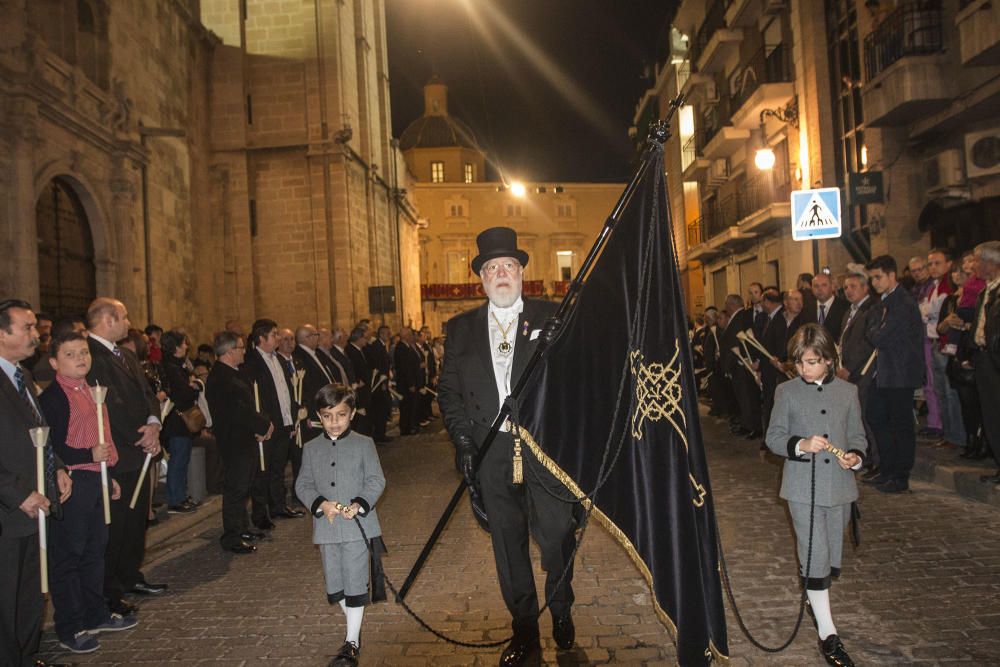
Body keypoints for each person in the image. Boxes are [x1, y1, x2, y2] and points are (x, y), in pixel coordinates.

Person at [438, 227, 579, 666]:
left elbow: (579, 379)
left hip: (542, 444)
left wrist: (565, 342)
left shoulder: (552, 316)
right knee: (508, 542)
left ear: (522, 273)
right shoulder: (460, 328)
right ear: (481, 279)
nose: (501, 273)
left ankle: (560, 607)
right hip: (489, 448)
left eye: (509, 266)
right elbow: (449, 391)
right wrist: (463, 441)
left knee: (557, 534)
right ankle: (524, 629)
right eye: (492, 268)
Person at [765, 324, 866, 667]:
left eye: (810, 362)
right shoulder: (787, 392)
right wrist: (801, 445)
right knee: (815, 555)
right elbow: (774, 438)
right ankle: (828, 634)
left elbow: (858, 437)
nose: (802, 369)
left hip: (839, 489)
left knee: (830, 558)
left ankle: (815, 595)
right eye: (799, 362)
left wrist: (854, 457)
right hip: (800, 489)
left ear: (828, 360)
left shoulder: (849, 392)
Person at [39, 332, 138, 653]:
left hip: (97, 478)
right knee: (69, 555)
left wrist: (108, 473)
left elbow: (102, 435)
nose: (81, 358)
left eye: (83, 352)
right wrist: (86, 458)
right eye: (70, 354)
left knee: (96, 551)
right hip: (74, 482)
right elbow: (50, 445)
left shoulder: (91, 390)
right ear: (54, 361)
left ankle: (96, 612)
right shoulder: (53, 397)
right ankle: (70, 625)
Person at [0, 299, 73, 666]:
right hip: (9, 511)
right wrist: (16, 494)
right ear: (1, 333)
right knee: (6, 598)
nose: (36, 334)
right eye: (27, 328)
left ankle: (26, 657)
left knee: (31, 595)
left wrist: (56, 466)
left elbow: (39, 431)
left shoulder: (22, 376)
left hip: (36, 503)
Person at [85, 298, 167, 614]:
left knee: (135, 523)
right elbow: (106, 406)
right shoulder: (91, 356)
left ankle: (131, 575)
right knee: (116, 527)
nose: (127, 322)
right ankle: (110, 589)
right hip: (120, 453)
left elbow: (148, 395)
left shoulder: (128, 355)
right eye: (124, 316)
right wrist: (140, 436)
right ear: (108, 319)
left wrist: (153, 423)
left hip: (141, 450)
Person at [295, 384, 386, 667]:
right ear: (318, 416)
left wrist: (360, 502)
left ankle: (352, 642)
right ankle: (354, 629)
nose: (334, 422)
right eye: (327, 416)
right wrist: (320, 503)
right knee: (337, 584)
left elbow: (376, 480)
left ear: (352, 414)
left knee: (355, 582)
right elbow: (303, 484)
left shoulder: (364, 443)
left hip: (358, 527)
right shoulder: (310, 448)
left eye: (341, 415)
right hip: (327, 529)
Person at [206, 332, 272, 554]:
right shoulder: (221, 378)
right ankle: (231, 536)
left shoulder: (234, 373)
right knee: (235, 489)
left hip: (245, 439)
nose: (245, 351)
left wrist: (260, 425)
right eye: (241, 347)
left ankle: (242, 527)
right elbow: (239, 411)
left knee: (244, 487)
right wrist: (263, 425)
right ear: (229, 351)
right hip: (235, 442)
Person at [864, 256, 925, 493]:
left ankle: (900, 476)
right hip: (885, 373)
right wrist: (873, 327)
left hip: (900, 373)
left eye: (878, 277)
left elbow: (879, 336)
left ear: (892, 276)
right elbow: (872, 327)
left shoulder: (903, 303)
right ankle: (887, 468)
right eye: (872, 278)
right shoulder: (883, 302)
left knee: (901, 425)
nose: (875, 283)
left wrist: (873, 328)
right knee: (876, 416)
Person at [241, 319, 304, 528]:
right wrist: (260, 424)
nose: (278, 338)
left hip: (283, 423)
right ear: (262, 338)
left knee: (278, 468)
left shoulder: (278, 358)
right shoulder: (251, 362)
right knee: (262, 471)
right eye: (274, 334)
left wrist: (292, 416)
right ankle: (260, 514)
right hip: (267, 425)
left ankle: (278, 505)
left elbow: (285, 389)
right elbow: (254, 397)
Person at [836, 273, 879, 474]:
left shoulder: (870, 309)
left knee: (866, 415)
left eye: (853, 286)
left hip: (862, 372)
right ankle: (867, 455)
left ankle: (875, 458)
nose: (849, 291)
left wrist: (850, 368)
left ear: (864, 288)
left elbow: (866, 344)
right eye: (845, 287)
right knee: (856, 417)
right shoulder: (849, 312)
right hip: (847, 370)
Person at [923, 249, 964, 448]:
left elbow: (933, 312)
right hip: (935, 341)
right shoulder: (933, 286)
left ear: (948, 264)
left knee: (949, 392)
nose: (932, 268)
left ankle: (956, 435)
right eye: (930, 264)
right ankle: (948, 433)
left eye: (937, 263)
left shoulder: (948, 287)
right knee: (940, 391)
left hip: (948, 345)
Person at [158, 330, 201, 514]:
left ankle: (181, 495)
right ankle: (175, 499)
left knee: (183, 458)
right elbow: (183, 393)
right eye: (183, 343)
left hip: (180, 420)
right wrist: (193, 387)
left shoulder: (177, 365)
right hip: (176, 421)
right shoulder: (171, 367)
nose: (186, 346)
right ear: (175, 347)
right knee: (178, 459)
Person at [970, 241, 1000, 483]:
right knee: (990, 414)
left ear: (991, 263)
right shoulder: (986, 291)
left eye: (978, 260)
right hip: (983, 359)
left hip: (995, 359)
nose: (974, 266)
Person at [364, 325, 394, 444]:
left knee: (383, 409)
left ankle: (381, 433)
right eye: (387, 333)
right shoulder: (377, 346)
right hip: (379, 384)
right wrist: (382, 382)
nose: (389, 335)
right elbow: (378, 365)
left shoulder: (381, 345)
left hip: (383, 381)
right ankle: (379, 435)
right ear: (381, 334)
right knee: (380, 410)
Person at [393, 326, 423, 436]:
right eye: (410, 335)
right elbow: (405, 368)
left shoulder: (407, 347)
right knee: (406, 407)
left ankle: (409, 426)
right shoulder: (401, 348)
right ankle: (405, 429)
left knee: (410, 406)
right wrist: (411, 383)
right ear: (405, 336)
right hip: (405, 384)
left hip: (410, 382)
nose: (412, 337)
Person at [812, 273, 849, 340]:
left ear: (832, 287)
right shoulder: (806, 309)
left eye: (824, 285)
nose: (820, 289)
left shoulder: (845, 307)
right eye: (816, 286)